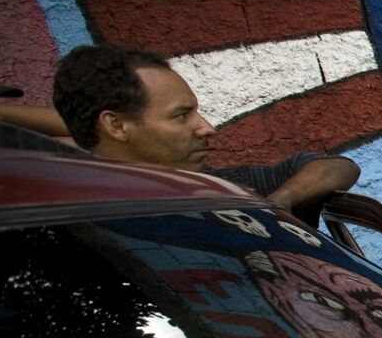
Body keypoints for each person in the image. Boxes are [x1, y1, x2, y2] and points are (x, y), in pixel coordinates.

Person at [52, 45, 360, 220]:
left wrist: (275, 204)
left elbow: (337, 167)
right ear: (117, 126)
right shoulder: (84, 226)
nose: (207, 128)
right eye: (181, 115)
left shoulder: (226, 189)